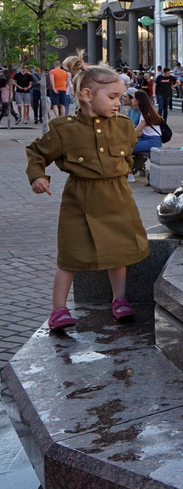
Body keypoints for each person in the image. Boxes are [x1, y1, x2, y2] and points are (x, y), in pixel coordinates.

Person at [25, 52, 148, 330]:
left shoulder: (125, 126)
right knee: (69, 255)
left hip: (117, 198)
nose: (119, 103)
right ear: (87, 94)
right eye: (113, 97)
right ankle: (58, 310)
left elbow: (128, 156)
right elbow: (36, 152)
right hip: (79, 200)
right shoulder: (63, 130)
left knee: (119, 252)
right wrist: (37, 177)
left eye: (121, 97)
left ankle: (120, 300)